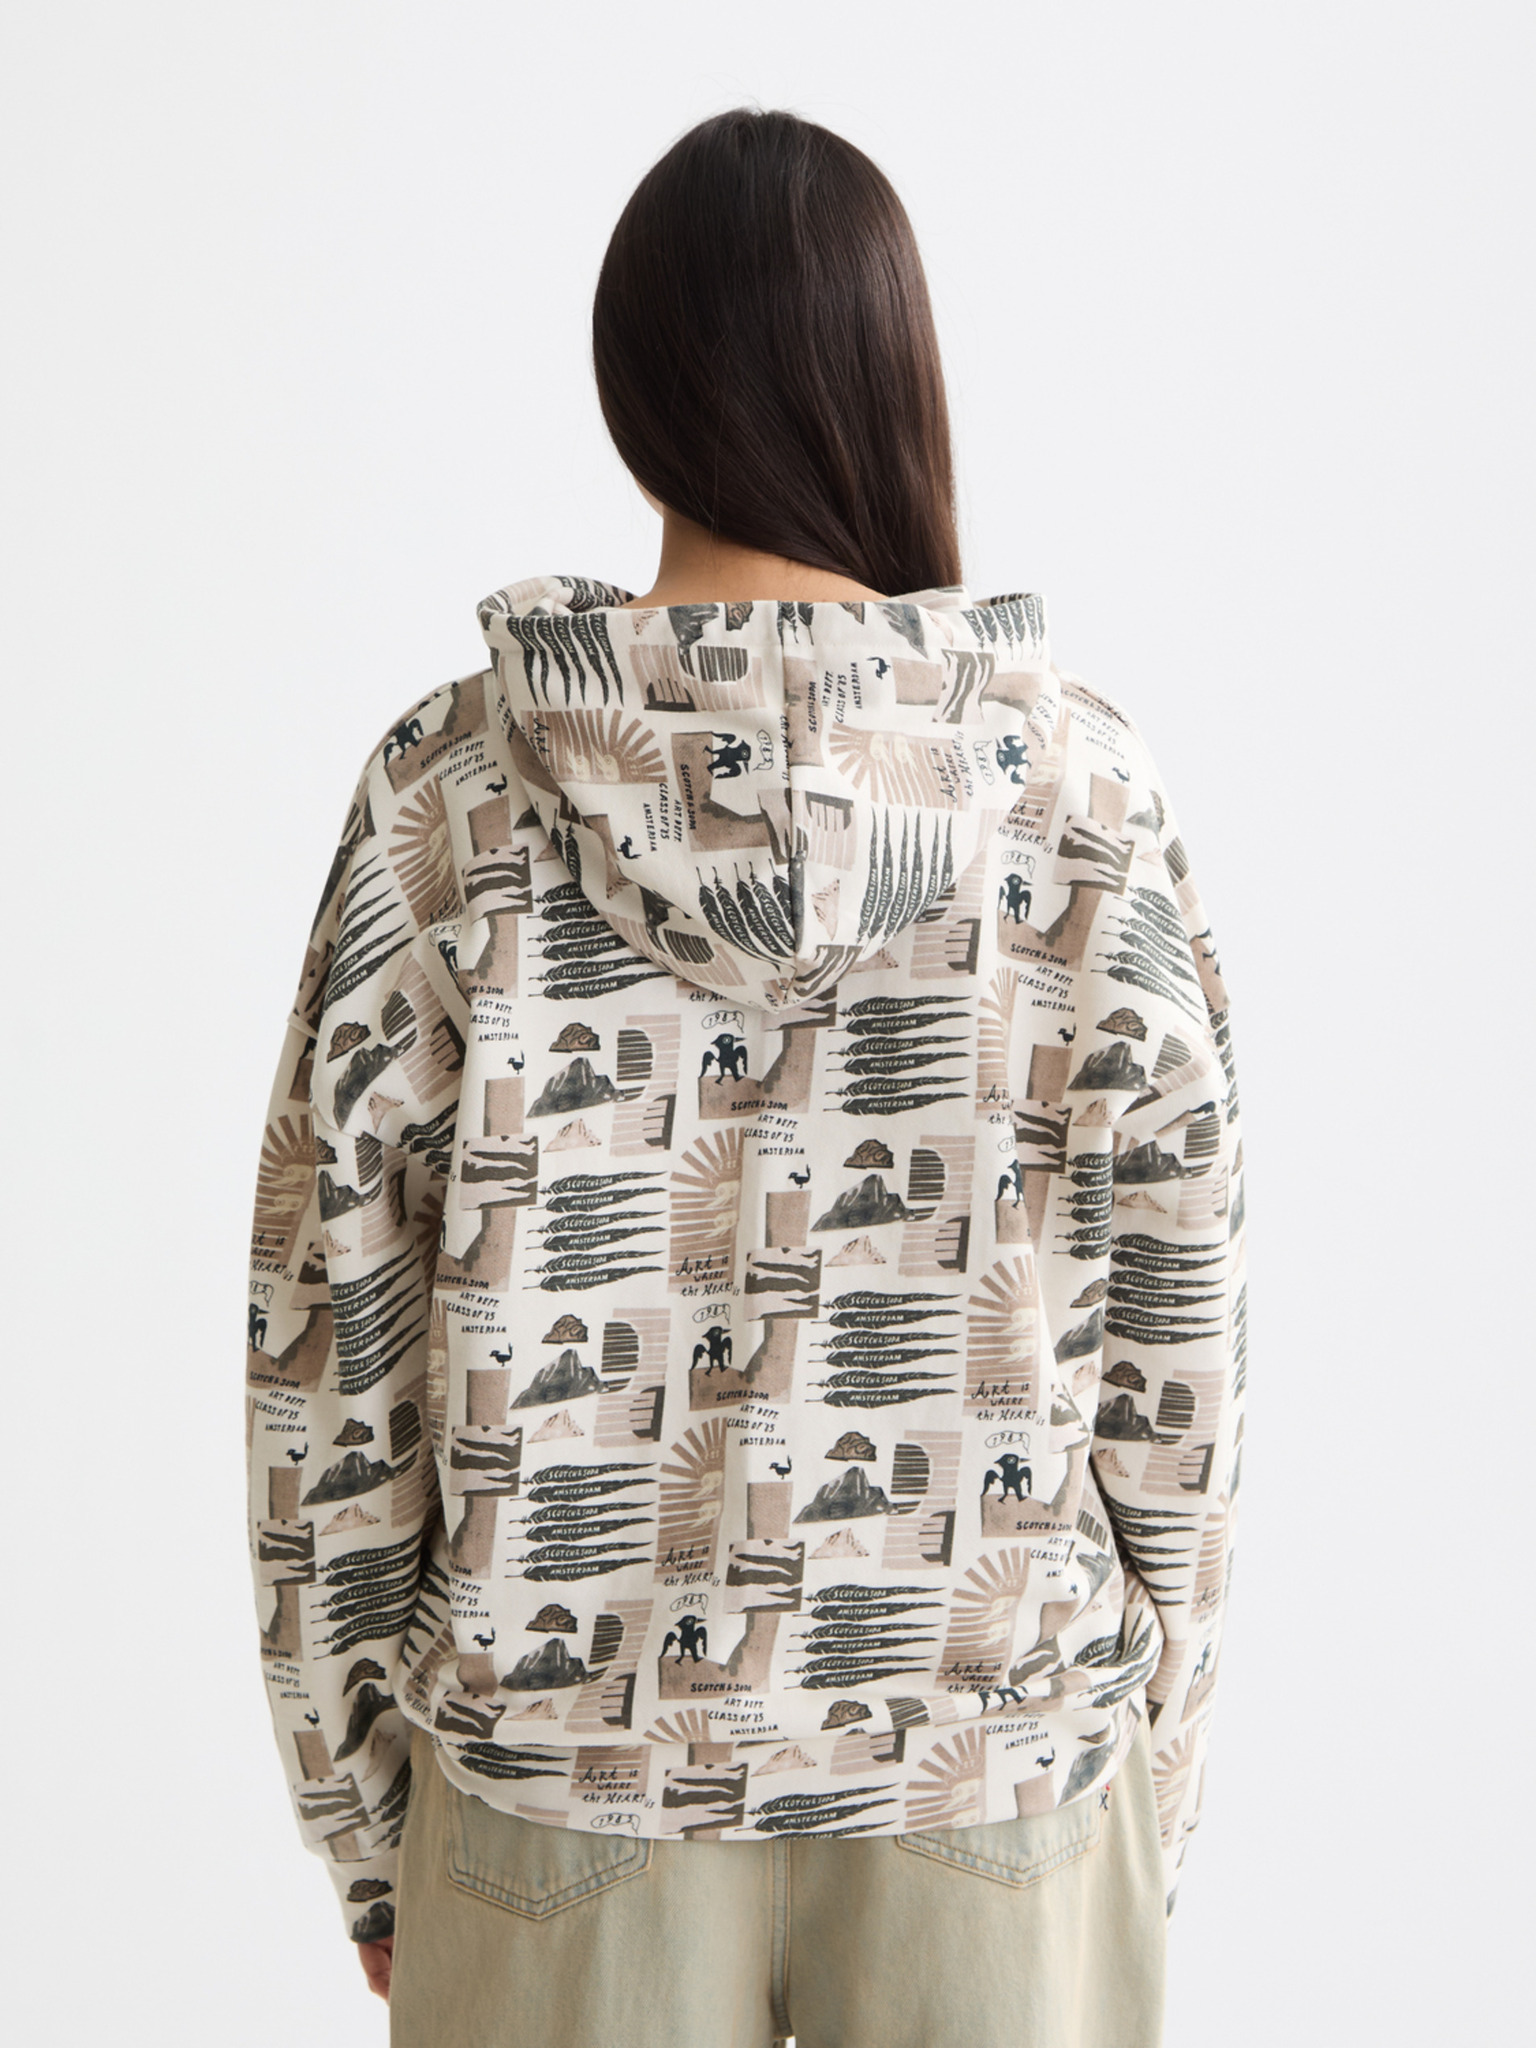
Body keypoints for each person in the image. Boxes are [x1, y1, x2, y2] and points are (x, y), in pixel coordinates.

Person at [245, 106, 1247, 2048]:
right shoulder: (1085, 803)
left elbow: (326, 1354)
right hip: (998, 1772)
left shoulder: (451, 802)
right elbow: (1178, 1355)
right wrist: (1144, 1783)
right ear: (897, 381)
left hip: (553, 1791)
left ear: (636, 390)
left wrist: (373, 1829)